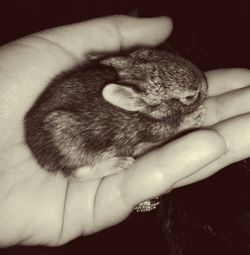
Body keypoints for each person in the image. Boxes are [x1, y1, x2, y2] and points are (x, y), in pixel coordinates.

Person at [0, 15, 250, 247]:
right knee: (65, 133)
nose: (200, 95)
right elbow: (157, 133)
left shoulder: (122, 71)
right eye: (189, 97)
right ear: (134, 101)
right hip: (59, 140)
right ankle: (80, 172)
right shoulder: (150, 120)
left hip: (52, 115)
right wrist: (186, 122)